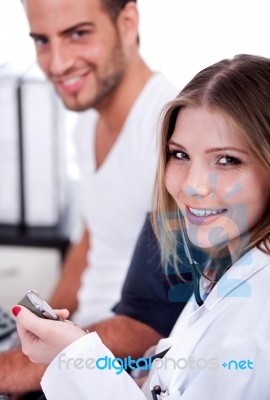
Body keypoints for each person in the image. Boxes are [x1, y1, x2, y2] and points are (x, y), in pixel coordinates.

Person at [14, 54, 270, 399]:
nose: (193, 185)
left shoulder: (254, 328)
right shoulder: (225, 263)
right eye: (180, 155)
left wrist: (73, 357)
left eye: (226, 160)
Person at [0, 0, 179, 396]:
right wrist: (30, 330)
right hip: (77, 346)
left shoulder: (173, 135)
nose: (57, 63)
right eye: (42, 40)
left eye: (78, 34)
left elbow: (149, 322)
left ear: (127, 22)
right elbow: (91, 239)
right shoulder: (88, 124)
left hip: (116, 373)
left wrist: (18, 368)